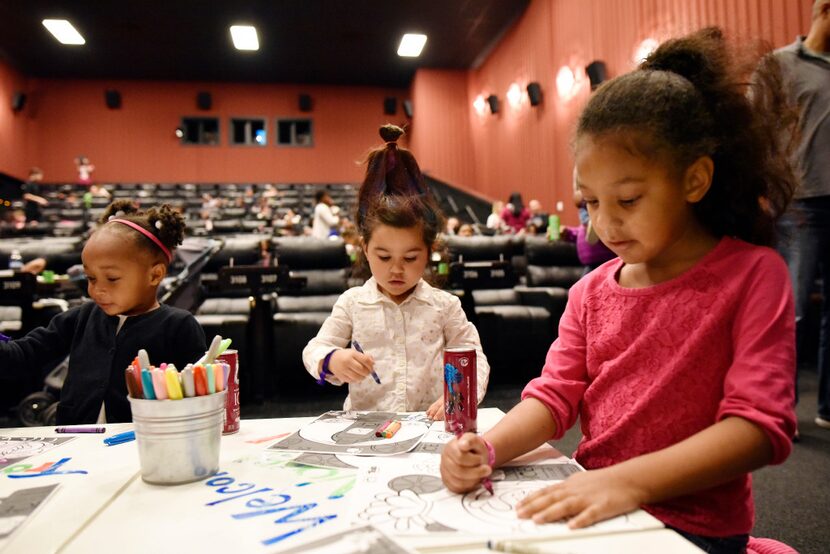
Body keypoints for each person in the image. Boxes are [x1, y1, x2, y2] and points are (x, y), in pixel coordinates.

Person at [440, 28, 797, 554]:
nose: (603, 224)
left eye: (628, 199)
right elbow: (554, 397)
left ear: (694, 180)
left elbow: (758, 428)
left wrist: (626, 481)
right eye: (589, 203)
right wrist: (485, 448)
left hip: (695, 526)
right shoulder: (589, 293)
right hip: (597, 502)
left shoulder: (752, 275)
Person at [303, 124, 490, 418]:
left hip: (427, 424)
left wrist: (462, 393)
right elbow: (315, 348)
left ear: (428, 252)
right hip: (366, 429)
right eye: (384, 256)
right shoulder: (353, 303)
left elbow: (474, 356)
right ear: (365, 249)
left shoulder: (445, 306)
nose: (396, 269)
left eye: (411, 257)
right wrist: (332, 359)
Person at [0, 200, 207, 424]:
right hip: (77, 443)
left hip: (143, 444)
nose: (96, 289)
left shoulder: (179, 326)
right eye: (91, 278)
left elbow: (197, 399)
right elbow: (22, 355)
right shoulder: (80, 317)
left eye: (112, 278)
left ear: (155, 275)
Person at [773, 0, 830, 430]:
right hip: (801, 204)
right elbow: (756, 132)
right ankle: (777, 411)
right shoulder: (780, 65)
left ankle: (827, 406)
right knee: (791, 312)